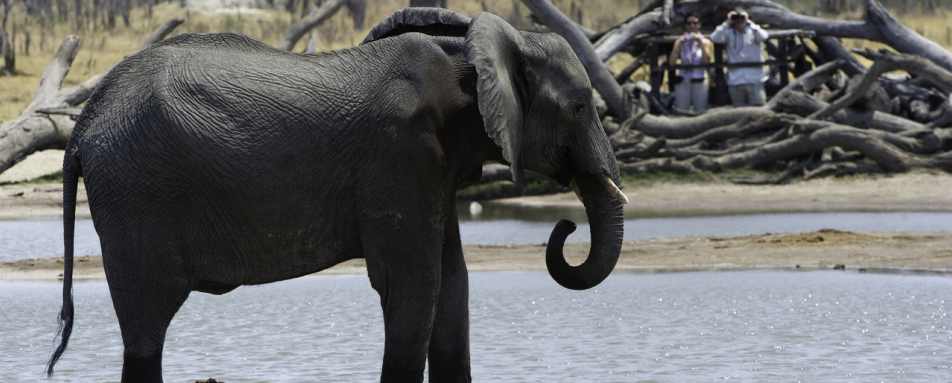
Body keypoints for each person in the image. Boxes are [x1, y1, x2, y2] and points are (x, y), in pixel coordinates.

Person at [710, 8, 770, 106]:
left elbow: (764, 36)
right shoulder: (728, 32)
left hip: (754, 79)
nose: (739, 20)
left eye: (742, 18)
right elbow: (714, 38)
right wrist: (727, 22)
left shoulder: (753, 31)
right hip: (735, 80)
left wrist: (749, 22)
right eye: (736, 18)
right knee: (739, 111)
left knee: (758, 109)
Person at [669, 14, 713, 113]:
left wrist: (701, 43)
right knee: (681, 110)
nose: (692, 26)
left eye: (695, 23)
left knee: (700, 110)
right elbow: (672, 62)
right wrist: (679, 45)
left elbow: (706, 62)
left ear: (699, 25)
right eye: (689, 23)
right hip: (683, 78)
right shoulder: (679, 40)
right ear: (686, 26)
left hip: (699, 78)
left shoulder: (706, 41)